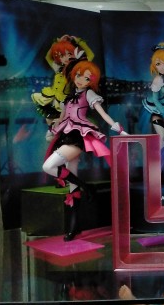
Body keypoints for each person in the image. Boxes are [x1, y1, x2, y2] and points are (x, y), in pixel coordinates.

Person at [42, 60, 127, 241]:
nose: (81, 80)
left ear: (91, 81)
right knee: (71, 185)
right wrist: (51, 129)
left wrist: (118, 128)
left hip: (77, 136)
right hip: (65, 134)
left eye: (87, 78)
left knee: (48, 166)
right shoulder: (69, 96)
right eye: (79, 75)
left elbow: (102, 113)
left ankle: (86, 186)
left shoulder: (89, 94)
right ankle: (74, 227)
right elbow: (62, 118)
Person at [32, 34, 94, 141]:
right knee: (49, 114)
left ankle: (63, 134)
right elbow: (48, 57)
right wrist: (56, 42)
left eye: (69, 54)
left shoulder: (77, 69)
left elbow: (90, 55)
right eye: (62, 55)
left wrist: (79, 41)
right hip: (53, 96)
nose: (66, 58)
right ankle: (52, 130)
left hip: (65, 99)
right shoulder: (58, 68)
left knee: (63, 118)